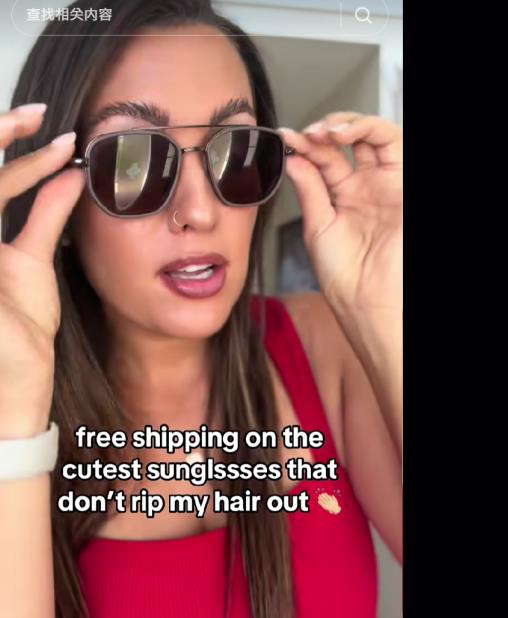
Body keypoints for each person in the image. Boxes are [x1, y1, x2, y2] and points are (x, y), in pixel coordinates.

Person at [0, 1, 402, 616]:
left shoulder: (324, 345)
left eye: (235, 151)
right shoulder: (11, 406)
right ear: (59, 201)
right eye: (132, 161)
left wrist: (385, 307)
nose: (201, 210)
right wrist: (14, 421)